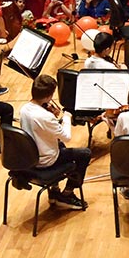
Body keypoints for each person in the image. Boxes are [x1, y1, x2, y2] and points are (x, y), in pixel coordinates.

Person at [20, 74, 90, 210]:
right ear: (48, 96)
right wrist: (67, 117)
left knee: (60, 145)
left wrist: (52, 117)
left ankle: (54, 191)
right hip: (46, 161)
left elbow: (42, 128)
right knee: (85, 153)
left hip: (30, 158)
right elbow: (67, 136)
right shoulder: (46, 117)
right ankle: (68, 193)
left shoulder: (24, 109)